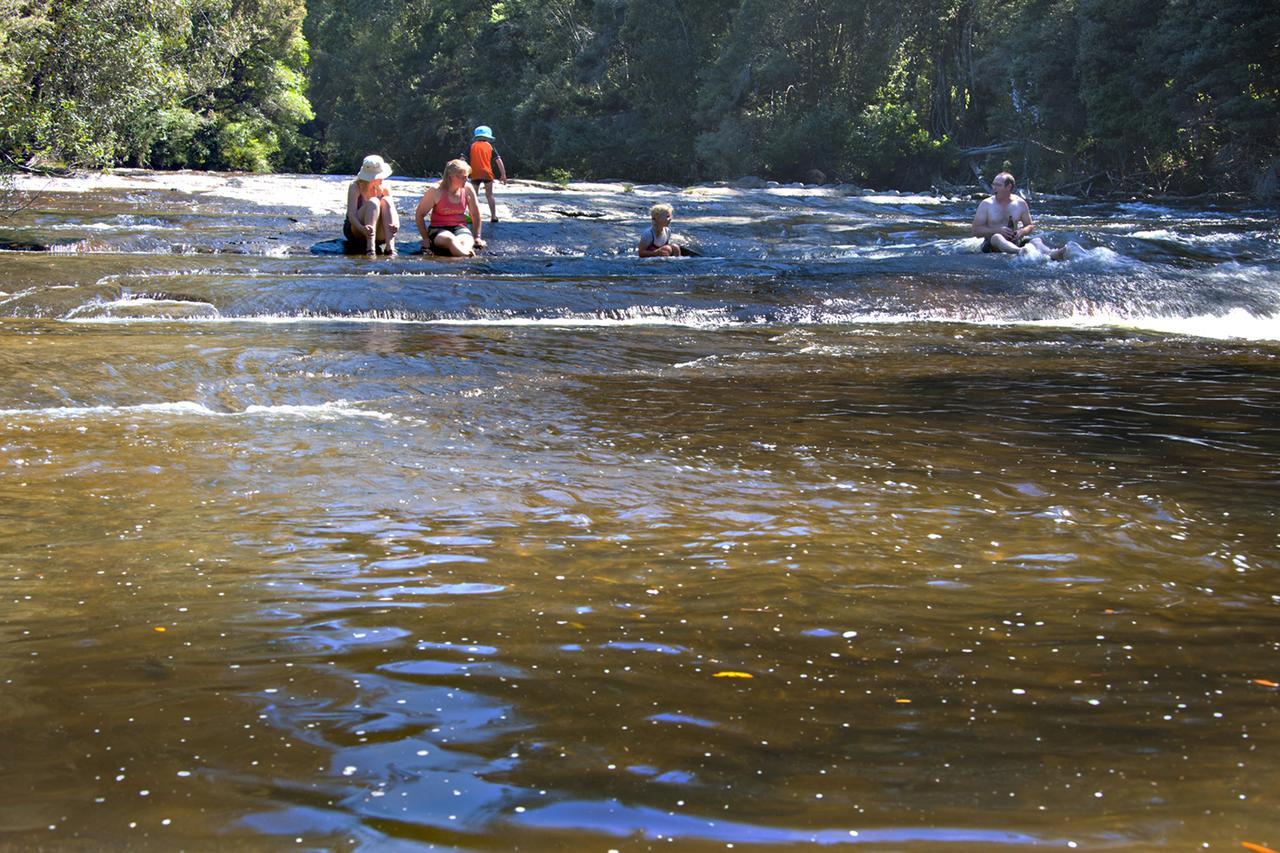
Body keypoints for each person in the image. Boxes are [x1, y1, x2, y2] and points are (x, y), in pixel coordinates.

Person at [971, 172, 1066, 260]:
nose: (993, 188)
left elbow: (1030, 226)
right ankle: (1020, 251)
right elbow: (975, 231)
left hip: (1015, 241)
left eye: (998, 185)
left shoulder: (1020, 203)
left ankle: (1052, 254)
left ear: (1008, 187)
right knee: (997, 236)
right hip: (991, 243)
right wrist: (998, 230)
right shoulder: (986, 204)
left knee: (1036, 240)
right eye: (993, 184)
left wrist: (1021, 232)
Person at [415, 159, 487, 257]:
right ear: (451, 176)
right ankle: (467, 256)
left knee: (465, 242)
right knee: (450, 240)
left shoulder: (467, 189)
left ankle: (464, 254)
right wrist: (425, 239)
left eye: (467, 177)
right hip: (438, 229)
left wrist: (477, 237)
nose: (467, 180)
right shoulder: (436, 191)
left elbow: (475, 214)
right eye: (463, 177)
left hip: (460, 227)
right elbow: (419, 214)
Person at [345, 155, 399, 256]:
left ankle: (390, 248)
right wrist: (362, 229)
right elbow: (351, 216)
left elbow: (393, 211)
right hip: (358, 230)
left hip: (379, 232)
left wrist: (396, 225)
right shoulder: (355, 187)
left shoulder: (385, 187)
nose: (382, 179)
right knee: (373, 202)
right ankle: (370, 248)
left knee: (386, 200)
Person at [463, 125, 507, 223]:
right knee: (489, 195)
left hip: (474, 174)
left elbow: (462, 159)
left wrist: (462, 173)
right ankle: (494, 216)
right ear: (488, 137)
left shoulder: (472, 146)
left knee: (473, 196)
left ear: (476, 136)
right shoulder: (490, 146)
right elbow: (498, 160)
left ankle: (471, 216)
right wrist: (503, 174)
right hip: (487, 174)